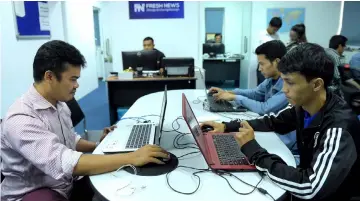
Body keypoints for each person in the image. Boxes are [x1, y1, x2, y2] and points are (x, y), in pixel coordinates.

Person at [1, 40, 169, 201]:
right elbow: (65, 162)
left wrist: (99, 145)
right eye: (73, 79)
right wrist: (132, 157)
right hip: (34, 192)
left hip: (66, 183)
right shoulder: (21, 119)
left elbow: (69, 139)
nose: (77, 85)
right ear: (49, 77)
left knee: (123, 183)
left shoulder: (58, 103)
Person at [202, 43, 360, 201]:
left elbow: (310, 187)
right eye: (283, 81)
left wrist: (255, 153)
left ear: (317, 84)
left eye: (290, 82)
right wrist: (227, 126)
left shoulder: (338, 128)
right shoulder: (303, 107)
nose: (284, 89)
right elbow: (272, 122)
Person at [209, 40, 288, 115]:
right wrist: (228, 92)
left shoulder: (288, 84)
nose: (259, 69)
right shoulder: (271, 79)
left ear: (277, 62)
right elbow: (255, 94)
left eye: (262, 64)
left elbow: (265, 108)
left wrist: (235, 97)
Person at [257, 17, 282, 85]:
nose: (275, 31)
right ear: (270, 25)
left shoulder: (276, 36)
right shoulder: (261, 35)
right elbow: (255, 49)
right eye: (274, 29)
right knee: (262, 86)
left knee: (271, 86)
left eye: (277, 30)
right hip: (264, 63)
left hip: (273, 65)